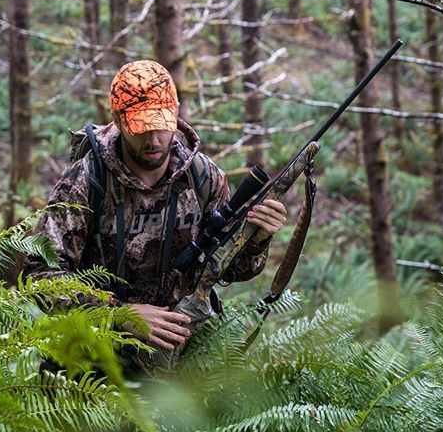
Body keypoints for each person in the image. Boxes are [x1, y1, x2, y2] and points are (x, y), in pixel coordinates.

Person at [27, 60, 287, 357]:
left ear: (175, 113)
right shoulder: (85, 182)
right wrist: (119, 315)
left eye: (161, 125)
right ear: (118, 118)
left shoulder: (203, 178)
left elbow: (233, 270)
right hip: (98, 359)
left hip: (182, 356)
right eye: (141, 127)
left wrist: (258, 238)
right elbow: (40, 278)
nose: (153, 139)